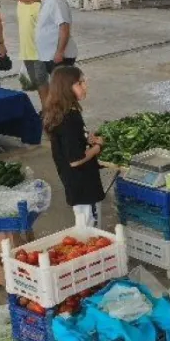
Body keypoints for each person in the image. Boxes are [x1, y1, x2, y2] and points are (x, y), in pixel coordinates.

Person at [43, 66, 105, 228]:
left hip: (77, 183)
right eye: (79, 83)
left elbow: (70, 144)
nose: (85, 86)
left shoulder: (65, 112)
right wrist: (97, 147)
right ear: (65, 89)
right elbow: (75, 160)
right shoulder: (69, 121)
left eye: (84, 82)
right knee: (90, 229)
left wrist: (87, 138)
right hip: (83, 186)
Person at [24, 0, 78, 83]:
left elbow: (64, 27)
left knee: (63, 92)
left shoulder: (56, 1)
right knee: (59, 91)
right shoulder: (47, 1)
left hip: (59, 58)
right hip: (50, 56)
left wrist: (60, 52)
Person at [11, 0, 47, 104]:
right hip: (26, 52)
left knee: (43, 83)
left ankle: (47, 110)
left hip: (39, 53)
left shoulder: (40, 6)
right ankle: (47, 109)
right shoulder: (20, 4)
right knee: (36, 83)